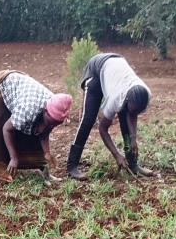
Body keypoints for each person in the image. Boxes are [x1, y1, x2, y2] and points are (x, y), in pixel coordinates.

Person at [0, 70, 72, 191]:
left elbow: (44, 132)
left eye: (56, 124)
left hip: (21, 90)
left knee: (34, 130)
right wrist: (14, 157)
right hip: (1, 86)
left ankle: (44, 173)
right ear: (45, 111)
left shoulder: (55, 108)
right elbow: (7, 129)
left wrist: (47, 153)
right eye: (51, 122)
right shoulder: (28, 110)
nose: (52, 125)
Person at [66, 52, 154, 180]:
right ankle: (72, 166)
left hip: (115, 69)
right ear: (127, 99)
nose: (134, 113)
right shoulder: (115, 98)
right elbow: (103, 129)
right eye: (132, 109)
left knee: (125, 116)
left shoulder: (144, 93)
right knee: (88, 119)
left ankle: (133, 164)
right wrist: (117, 155)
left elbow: (132, 114)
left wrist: (134, 139)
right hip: (96, 70)